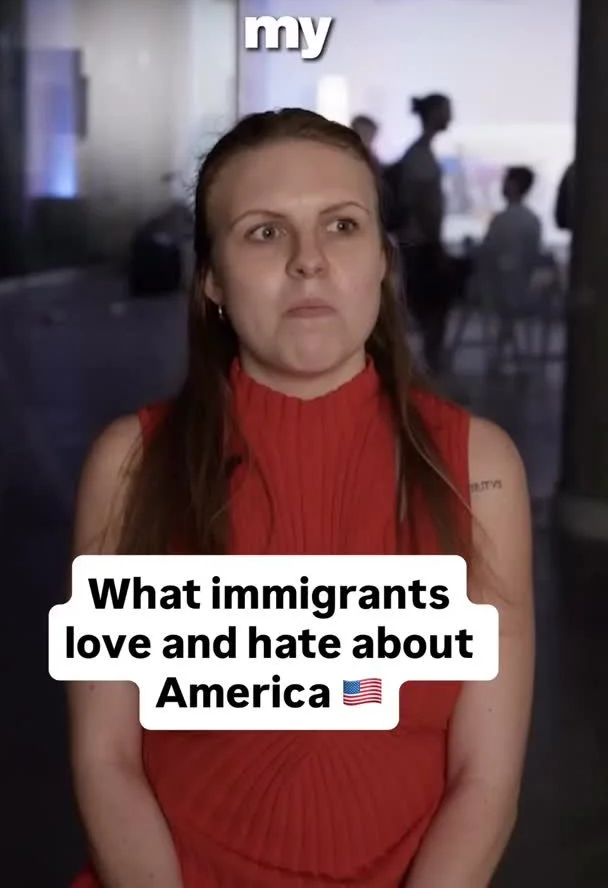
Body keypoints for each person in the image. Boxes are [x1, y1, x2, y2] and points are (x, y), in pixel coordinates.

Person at [68, 108, 534, 888]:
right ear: (212, 278)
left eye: (342, 226)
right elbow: (105, 757)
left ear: (381, 261)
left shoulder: (478, 469)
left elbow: (486, 781)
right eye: (263, 232)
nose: (308, 262)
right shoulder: (132, 466)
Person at [395, 94, 456, 372]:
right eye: (446, 111)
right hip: (422, 242)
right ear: (433, 114)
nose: (450, 117)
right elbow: (423, 204)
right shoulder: (420, 156)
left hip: (420, 241)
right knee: (431, 306)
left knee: (428, 305)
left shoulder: (420, 153)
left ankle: (429, 364)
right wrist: (436, 241)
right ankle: (430, 364)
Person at [480, 166, 542, 275]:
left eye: (506, 181)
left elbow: (488, 253)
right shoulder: (533, 220)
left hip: (500, 280)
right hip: (522, 280)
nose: (502, 185)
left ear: (514, 186)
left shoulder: (502, 220)